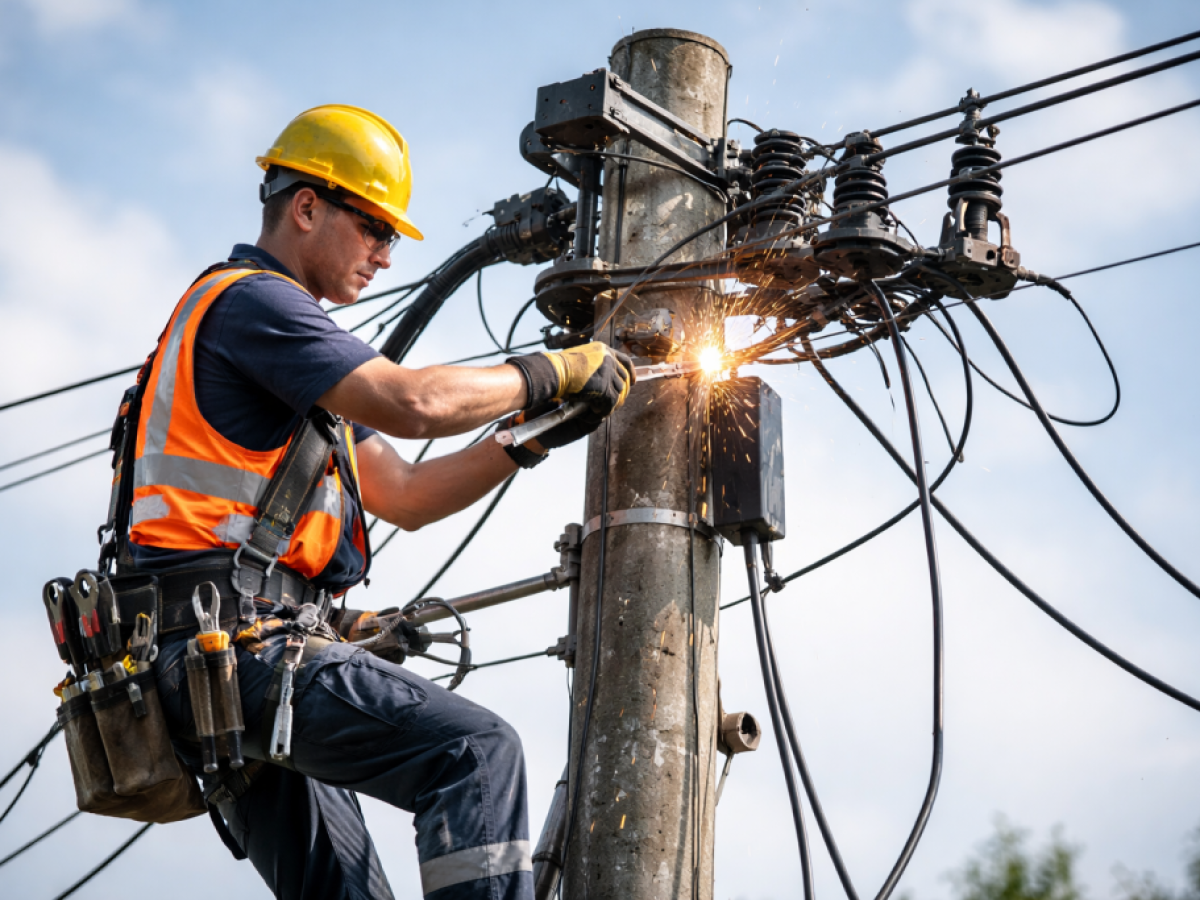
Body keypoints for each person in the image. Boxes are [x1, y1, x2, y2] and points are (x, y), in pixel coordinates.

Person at [123, 104, 633, 899]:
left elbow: (407, 493)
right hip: (231, 653)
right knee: (475, 754)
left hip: (216, 671)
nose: (386, 258)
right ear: (306, 207)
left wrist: (525, 439)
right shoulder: (253, 305)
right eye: (376, 230)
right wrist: (554, 371)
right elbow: (414, 402)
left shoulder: (290, 370)